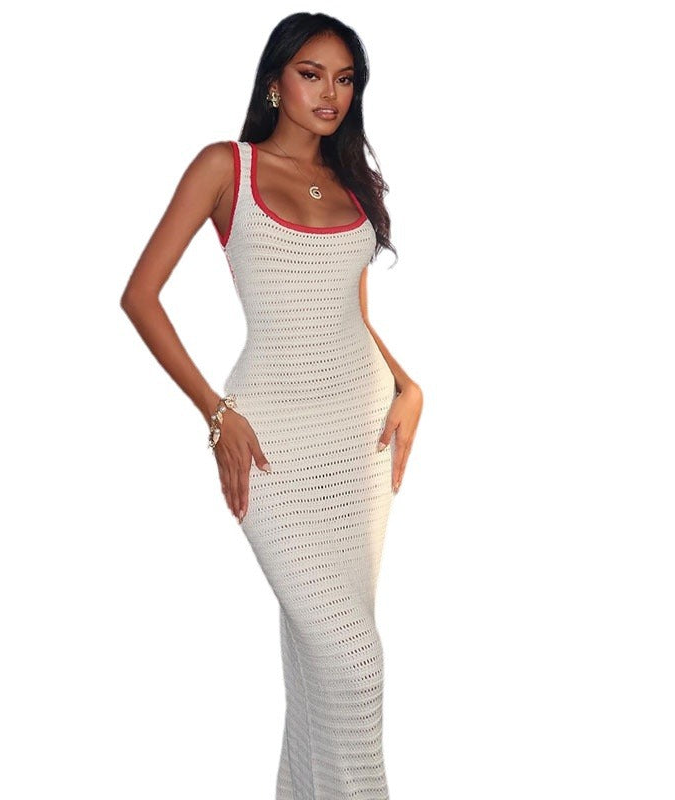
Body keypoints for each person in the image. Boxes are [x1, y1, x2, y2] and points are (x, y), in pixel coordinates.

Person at [120, 12, 423, 799]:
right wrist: (216, 414)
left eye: (345, 79)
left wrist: (408, 384)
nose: (330, 93)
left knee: (318, 661)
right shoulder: (227, 167)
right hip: (273, 440)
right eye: (312, 74)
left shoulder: (353, 182)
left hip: (360, 437)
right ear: (275, 82)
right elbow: (140, 296)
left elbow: (348, 311)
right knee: (355, 662)